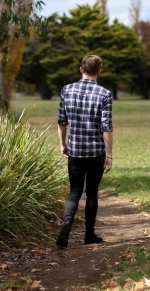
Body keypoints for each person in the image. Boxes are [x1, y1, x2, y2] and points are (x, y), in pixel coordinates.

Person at [55, 55, 114, 248]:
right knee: (92, 193)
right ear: (99, 72)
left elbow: (62, 121)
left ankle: (66, 225)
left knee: (75, 191)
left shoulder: (67, 90)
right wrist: (110, 154)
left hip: (75, 151)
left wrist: (63, 144)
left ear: (81, 69)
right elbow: (106, 127)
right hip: (96, 152)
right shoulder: (104, 94)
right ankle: (89, 234)